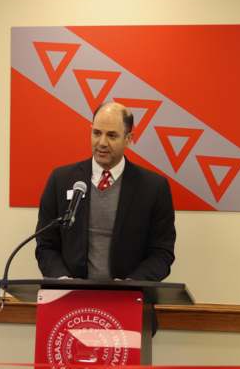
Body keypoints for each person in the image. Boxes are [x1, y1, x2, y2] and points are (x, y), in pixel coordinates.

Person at [35, 102, 176, 281]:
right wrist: (62, 279)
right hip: (71, 298)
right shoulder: (61, 180)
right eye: (96, 133)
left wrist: (131, 285)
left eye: (112, 135)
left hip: (129, 300)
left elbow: (161, 252)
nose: (102, 143)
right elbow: (45, 244)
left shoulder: (153, 188)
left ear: (129, 138)